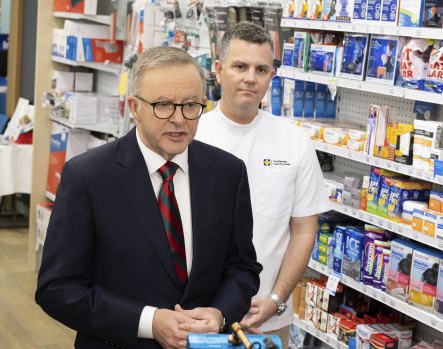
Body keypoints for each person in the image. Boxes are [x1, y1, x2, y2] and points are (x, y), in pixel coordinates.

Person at [36, 46, 262, 349]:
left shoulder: (227, 172)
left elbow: (242, 267)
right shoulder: (88, 177)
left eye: (191, 105)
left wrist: (219, 314)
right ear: (134, 107)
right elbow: (57, 288)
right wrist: (148, 322)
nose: (179, 119)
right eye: (164, 105)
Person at [196, 22, 329, 348]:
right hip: (197, 317)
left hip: (266, 319)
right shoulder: (191, 135)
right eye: (240, 66)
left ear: (272, 75)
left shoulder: (294, 142)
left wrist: (276, 299)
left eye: (261, 69)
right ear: (218, 70)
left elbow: (303, 231)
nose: (250, 78)